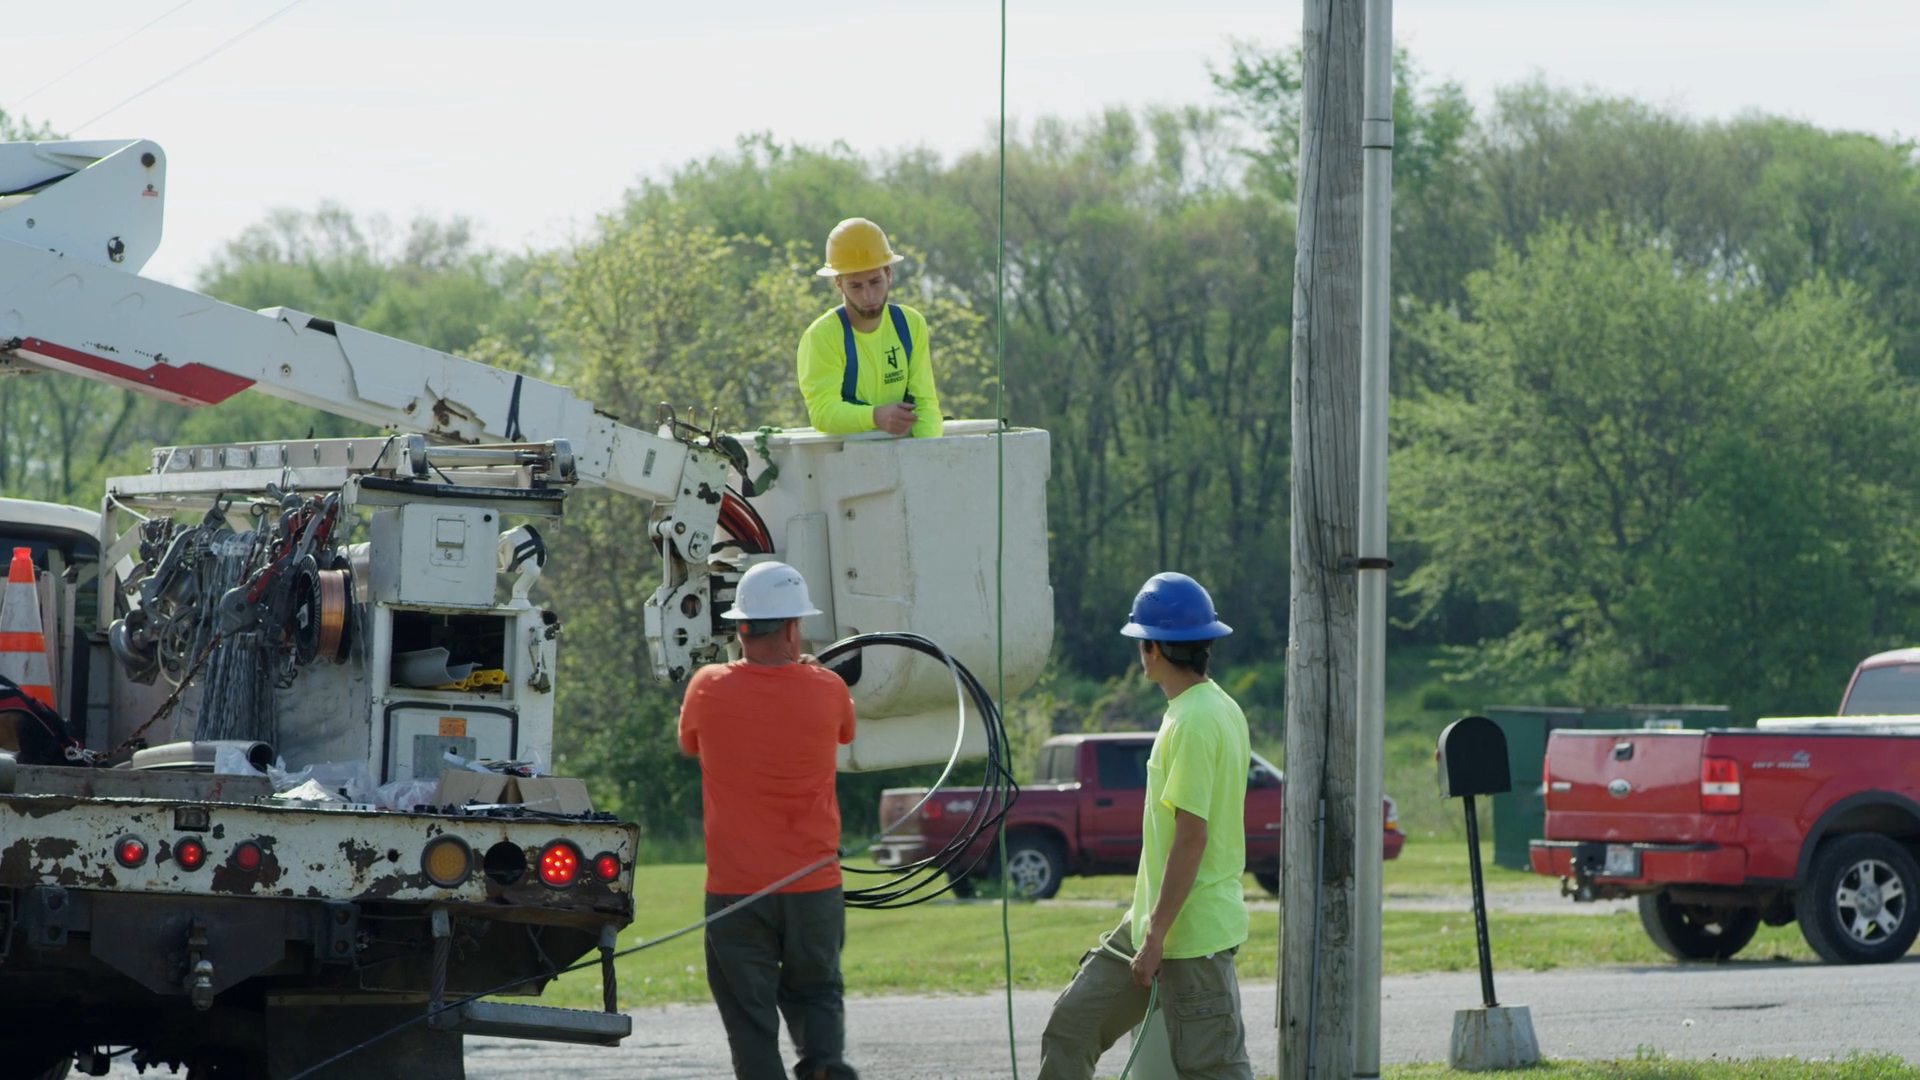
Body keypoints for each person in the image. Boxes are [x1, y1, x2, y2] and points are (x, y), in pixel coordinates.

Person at [1037, 572, 1255, 1080]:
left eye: (1141, 641)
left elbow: (1192, 834)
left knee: (1214, 1069)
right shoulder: (1206, 706)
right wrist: (1149, 929)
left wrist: (1156, 935)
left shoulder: (1197, 721)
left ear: (1152, 648)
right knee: (1072, 1028)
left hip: (1191, 934)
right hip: (1152, 926)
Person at [678, 561, 859, 1080]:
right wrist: (805, 670)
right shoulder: (827, 688)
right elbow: (845, 731)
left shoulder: (707, 687)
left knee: (749, 1019)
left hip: (737, 891)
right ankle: (823, 1067)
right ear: (793, 627)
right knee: (818, 991)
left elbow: (688, 744)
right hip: (814, 884)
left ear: (740, 628)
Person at [796, 217, 943, 439]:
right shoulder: (822, 335)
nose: (868, 295)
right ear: (838, 283)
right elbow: (822, 413)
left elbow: (925, 403)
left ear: (889, 274)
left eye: (875, 282)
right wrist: (876, 416)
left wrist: (929, 455)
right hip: (846, 460)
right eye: (855, 286)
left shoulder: (910, 324)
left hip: (902, 458)